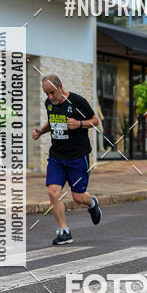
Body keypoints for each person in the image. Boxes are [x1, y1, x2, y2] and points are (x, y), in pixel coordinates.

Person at [32, 74, 102, 244]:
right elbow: (52, 122)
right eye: (46, 93)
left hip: (77, 156)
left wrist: (79, 124)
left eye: (52, 92)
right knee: (52, 192)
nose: (50, 97)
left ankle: (92, 202)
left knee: (78, 197)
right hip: (57, 156)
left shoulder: (77, 102)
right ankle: (64, 231)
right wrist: (41, 131)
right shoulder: (49, 104)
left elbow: (95, 121)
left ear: (60, 87)